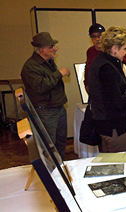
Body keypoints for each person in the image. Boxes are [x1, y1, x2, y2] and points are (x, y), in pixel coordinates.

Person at [21, 32, 70, 160]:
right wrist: (59, 73)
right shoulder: (30, 67)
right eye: (51, 47)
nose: (55, 49)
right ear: (41, 49)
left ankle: (60, 170)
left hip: (57, 109)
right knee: (48, 147)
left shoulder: (49, 63)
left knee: (60, 144)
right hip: (46, 112)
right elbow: (40, 87)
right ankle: (51, 175)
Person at [88, 26, 126, 153]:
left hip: (104, 124)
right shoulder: (107, 68)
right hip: (113, 126)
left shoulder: (100, 61)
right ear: (114, 48)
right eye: (124, 49)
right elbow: (118, 103)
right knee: (120, 163)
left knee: (109, 162)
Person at [84, 23, 126, 94]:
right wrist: (87, 84)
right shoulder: (90, 51)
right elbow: (87, 70)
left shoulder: (116, 53)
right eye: (93, 36)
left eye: (99, 36)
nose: (97, 39)